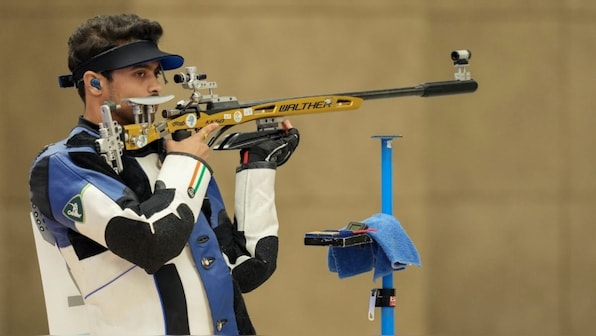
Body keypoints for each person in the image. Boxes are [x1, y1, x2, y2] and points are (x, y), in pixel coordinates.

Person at [28, 13, 299, 335]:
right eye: (140, 73)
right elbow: (151, 244)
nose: (156, 86)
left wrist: (258, 165)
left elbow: (245, 269)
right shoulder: (65, 165)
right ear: (95, 83)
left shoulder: (175, 158)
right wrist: (187, 165)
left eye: (157, 73)